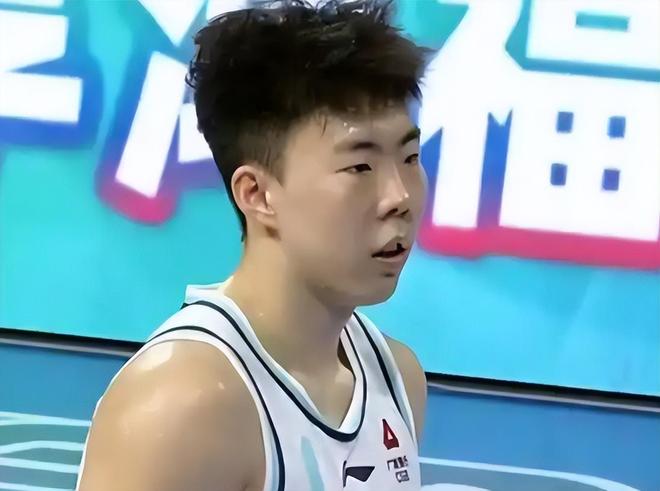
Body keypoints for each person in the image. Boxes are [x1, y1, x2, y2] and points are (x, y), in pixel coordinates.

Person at [75, 1, 430, 489]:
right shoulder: (180, 407)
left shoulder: (399, 380)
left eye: (410, 157)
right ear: (258, 194)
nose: (400, 197)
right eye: (360, 167)